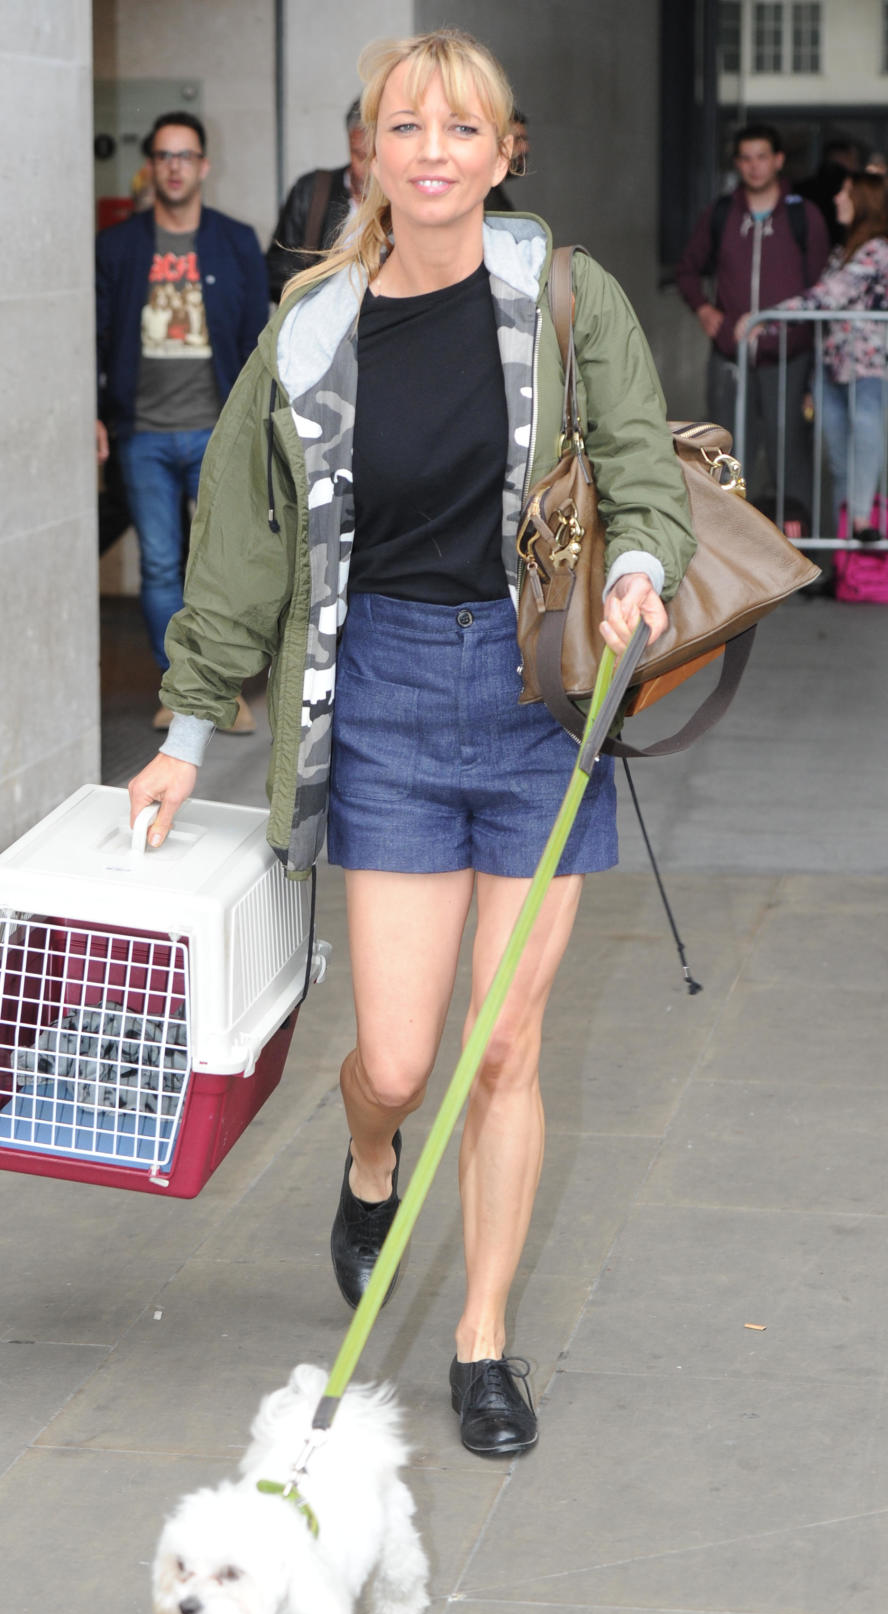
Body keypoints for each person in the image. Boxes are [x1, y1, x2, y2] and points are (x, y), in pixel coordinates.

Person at [127, 30, 694, 1459]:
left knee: (503, 1044)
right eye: (404, 127)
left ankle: (481, 1338)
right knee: (392, 1054)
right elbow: (243, 548)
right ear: (367, 154)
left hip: (531, 704)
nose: (432, 151)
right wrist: (188, 733)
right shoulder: (308, 331)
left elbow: (637, 461)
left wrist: (639, 565)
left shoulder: (565, 296)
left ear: (504, 153)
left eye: (462, 129)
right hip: (373, 696)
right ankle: (370, 1154)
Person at [95, 111, 269, 729]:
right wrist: (94, 414)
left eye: (185, 155)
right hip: (142, 433)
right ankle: (179, 693)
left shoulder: (234, 241)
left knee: (223, 566)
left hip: (217, 432)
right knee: (161, 566)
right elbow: (96, 333)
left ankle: (221, 690)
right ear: (152, 166)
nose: (174, 166)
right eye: (164, 156)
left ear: (203, 166)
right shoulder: (117, 247)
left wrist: (260, 422)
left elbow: (258, 341)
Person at [676, 122, 830, 523]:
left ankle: (797, 553)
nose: (754, 166)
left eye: (762, 156)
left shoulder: (804, 216)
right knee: (726, 452)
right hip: (731, 357)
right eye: (746, 158)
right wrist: (705, 310)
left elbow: (821, 291)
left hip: (789, 357)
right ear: (737, 164)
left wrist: (814, 365)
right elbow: (688, 270)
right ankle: (731, 553)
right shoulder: (722, 212)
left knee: (790, 453)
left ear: (778, 161)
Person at [740, 171, 888, 541]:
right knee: (840, 465)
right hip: (830, 371)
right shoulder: (843, 251)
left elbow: (828, 296)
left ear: (864, 201)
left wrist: (768, 320)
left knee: (863, 450)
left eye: (845, 192)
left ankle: (860, 522)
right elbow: (823, 305)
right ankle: (848, 561)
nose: (837, 200)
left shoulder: (879, 250)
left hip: (866, 372)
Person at [266, 99, 370, 301]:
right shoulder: (313, 191)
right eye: (360, 156)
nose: (370, 170)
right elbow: (276, 274)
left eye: (378, 157)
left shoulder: (408, 201)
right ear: (349, 141)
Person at [484, 106, 528, 212]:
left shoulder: (491, 191)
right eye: (517, 140)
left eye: (525, 140)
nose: (525, 148)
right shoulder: (480, 194)